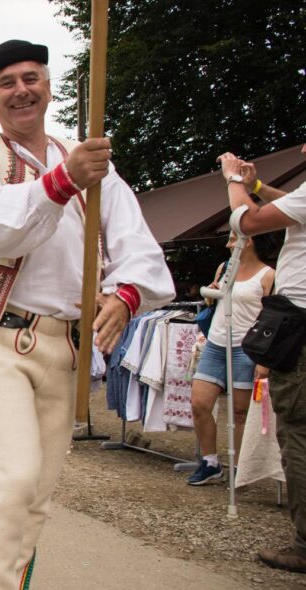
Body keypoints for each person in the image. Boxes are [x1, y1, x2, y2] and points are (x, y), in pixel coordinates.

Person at [0, 40, 174, 588]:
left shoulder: (96, 165)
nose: (21, 90)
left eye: (31, 78)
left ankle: (15, 582)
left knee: (40, 491)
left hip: (68, 346)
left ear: (48, 87)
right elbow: (0, 228)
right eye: (7, 83)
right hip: (0, 337)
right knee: (14, 475)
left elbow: (138, 249)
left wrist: (125, 296)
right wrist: (64, 179)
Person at [219, 144, 306, 572]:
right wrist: (256, 185)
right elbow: (291, 207)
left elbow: (249, 220)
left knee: (299, 435)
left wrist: (236, 182)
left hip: (299, 328)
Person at [187, 233, 274, 485]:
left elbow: (271, 318)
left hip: (246, 348)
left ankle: (239, 467)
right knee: (199, 403)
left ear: (250, 241)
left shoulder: (267, 275)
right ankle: (210, 462)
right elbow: (214, 300)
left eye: (233, 239)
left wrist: (264, 360)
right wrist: (210, 294)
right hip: (215, 343)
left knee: (240, 411)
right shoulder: (225, 267)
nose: (228, 244)